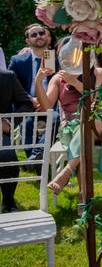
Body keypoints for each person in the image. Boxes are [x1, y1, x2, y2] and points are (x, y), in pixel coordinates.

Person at [34, 36, 102, 194]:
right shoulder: (57, 79)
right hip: (70, 127)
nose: (71, 59)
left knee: (91, 121)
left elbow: (96, 100)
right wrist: (38, 82)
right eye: (65, 55)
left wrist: (74, 82)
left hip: (97, 124)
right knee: (83, 149)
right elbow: (47, 107)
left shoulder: (98, 73)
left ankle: (66, 172)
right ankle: (84, 200)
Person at [8, 23, 60, 164]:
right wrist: (30, 99)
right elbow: (11, 86)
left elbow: (60, 85)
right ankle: (35, 161)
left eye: (41, 33)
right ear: (27, 41)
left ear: (47, 37)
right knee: (26, 125)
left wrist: (45, 100)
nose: (38, 36)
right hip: (27, 105)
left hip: (50, 104)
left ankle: (36, 156)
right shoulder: (18, 61)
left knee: (55, 119)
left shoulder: (53, 59)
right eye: (34, 35)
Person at [0, 69, 34, 213]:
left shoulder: (7, 77)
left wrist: (8, 122)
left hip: (0, 133)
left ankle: (8, 202)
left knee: (8, 159)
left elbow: (26, 104)